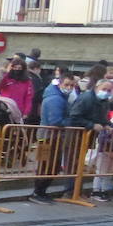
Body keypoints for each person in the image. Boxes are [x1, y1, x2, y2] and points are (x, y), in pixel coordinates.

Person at [29, 70, 76, 204]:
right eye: (67, 85)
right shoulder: (55, 98)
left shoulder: (57, 97)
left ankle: (40, 191)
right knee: (48, 166)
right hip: (49, 136)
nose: (69, 88)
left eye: (72, 85)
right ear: (60, 83)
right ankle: (38, 192)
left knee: (50, 166)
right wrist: (70, 121)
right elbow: (56, 121)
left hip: (49, 135)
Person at [69, 75, 113, 203]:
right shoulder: (86, 98)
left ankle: (77, 190)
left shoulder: (104, 101)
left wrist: (106, 124)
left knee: (81, 164)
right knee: (74, 163)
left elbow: (102, 117)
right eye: (104, 89)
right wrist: (91, 125)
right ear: (97, 87)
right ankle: (71, 191)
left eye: (109, 90)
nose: (106, 92)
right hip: (76, 134)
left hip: (89, 136)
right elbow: (74, 116)